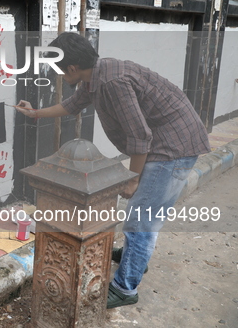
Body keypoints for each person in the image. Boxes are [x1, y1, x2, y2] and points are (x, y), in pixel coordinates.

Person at [16, 32, 210, 309]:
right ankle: (134, 258)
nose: (58, 74)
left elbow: (140, 137)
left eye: (59, 68)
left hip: (172, 149)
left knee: (141, 220)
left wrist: (132, 180)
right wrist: (35, 113)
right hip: (168, 142)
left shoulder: (111, 82)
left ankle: (125, 288)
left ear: (71, 68)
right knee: (143, 216)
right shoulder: (96, 74)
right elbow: (71, 106)